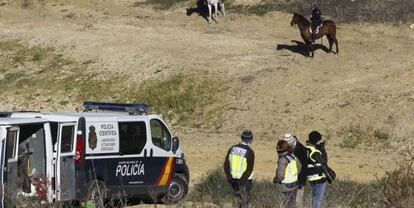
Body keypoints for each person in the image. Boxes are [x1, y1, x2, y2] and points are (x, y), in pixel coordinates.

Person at [224, 130, 255, 208]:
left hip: (232, 180)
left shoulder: (232, 149)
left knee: (236, 201)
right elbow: (249, 170)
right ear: (251, 140)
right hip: (245, 181)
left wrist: (230, 178)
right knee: (245, 202)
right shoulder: (249, 152)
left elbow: (226, 164)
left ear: (241, 138)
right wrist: (241, 182)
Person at [306, 130, 331, 208]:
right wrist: (322, 149)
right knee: (317, 200)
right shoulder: (315, 151)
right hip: (319, 178)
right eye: (319, 140)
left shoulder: (307, 148)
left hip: (311, 177)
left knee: (314, 198)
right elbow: (324, 161)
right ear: (317, 141)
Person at [273, 140, 301, 208]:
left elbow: (280, 176)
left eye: (277, 147)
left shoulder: (282, 159)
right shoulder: (292, 156)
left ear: (280, 148)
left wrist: (276, 179)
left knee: (284, 204)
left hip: (286, 186)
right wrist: (294, 175)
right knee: (292, 205)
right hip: (295, 184)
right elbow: (299, 166)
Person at [282, 133, 307, 207]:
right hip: (287, 181)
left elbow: (304, 166)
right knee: (286, 202)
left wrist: (302, 182)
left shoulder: (302, 150)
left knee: (297, 202)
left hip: (298, 181)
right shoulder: (286, 149)